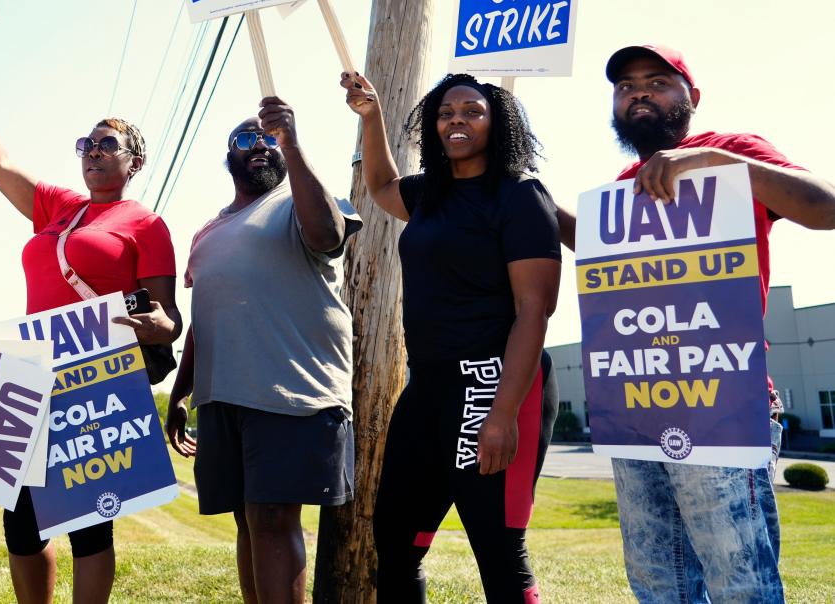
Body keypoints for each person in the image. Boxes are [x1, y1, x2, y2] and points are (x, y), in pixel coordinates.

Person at [555, 44, 835, 603]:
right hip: (637, 402)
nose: (638, 92)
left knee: (739, 578)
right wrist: (530, 198)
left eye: (656, 81)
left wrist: (705, 160)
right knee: (660, 579)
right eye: (626, 85)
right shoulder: (623, 183)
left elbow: (825, 207)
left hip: (722, 403)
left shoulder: (733, 152)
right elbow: (594, 252)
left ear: (692, 97)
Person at [0, 44, 182, 604]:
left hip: (96, 381)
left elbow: (167, 320)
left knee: (89, 522)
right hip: (31, 375)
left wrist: (152, 326)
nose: (93, 153)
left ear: (133, 162)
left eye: (107, 145)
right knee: (22, 520)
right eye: (86, 145)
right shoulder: (58, 207)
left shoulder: (146, 225)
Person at [341, 71, 561, 603]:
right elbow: (379, 188)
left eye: (472, 111)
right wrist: (371, 118)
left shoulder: (520, 195)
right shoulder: (430, 195)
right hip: (429, 387)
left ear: (498, 122)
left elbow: (536, 309)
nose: (456, 121)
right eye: (446, 113)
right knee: (396, 540)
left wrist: (504, 413)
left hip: (494, 382)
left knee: (498, 549)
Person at [167, 100, 360, 604]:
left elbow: (327, 234)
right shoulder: (206, 232)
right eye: (245, 140)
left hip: (292, 390)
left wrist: (292, 142)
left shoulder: (303, 201)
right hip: (222, 396)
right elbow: (206, 318)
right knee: (246, 521)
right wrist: (181, 392)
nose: (260, 146)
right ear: (228, 157)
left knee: (274, 517)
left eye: (269, 138)